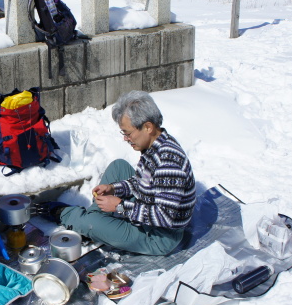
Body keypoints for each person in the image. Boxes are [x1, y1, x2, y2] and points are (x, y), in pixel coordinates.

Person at [37, 90, 196, 256]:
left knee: (91, 221)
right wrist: (114, 189)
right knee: (118, 166)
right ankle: (95, 224)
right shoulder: (154, 146)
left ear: (148, 127)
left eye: (128, 133)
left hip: (158, 236)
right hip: (147, 208)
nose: (125, 139)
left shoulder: (168, 163)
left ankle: (77, 219)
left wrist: (120, 206)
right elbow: (144, 182)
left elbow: (165, 217)